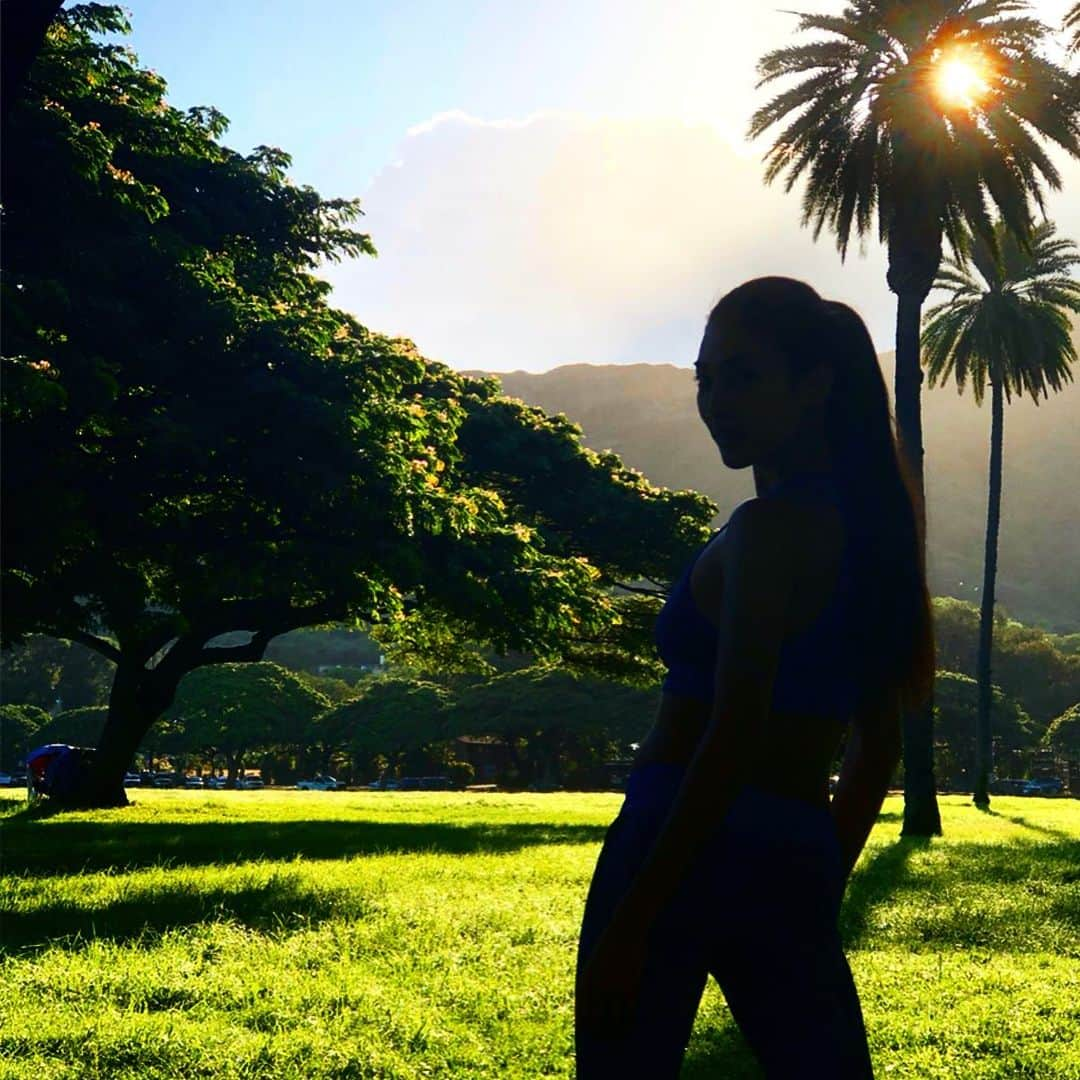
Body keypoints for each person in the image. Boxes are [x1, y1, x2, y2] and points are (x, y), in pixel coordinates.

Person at [574, 276, 935, 1078]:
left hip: (674, 833)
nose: (716, 401)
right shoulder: (873, 535)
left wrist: (636, 918)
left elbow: (728, 735)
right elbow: (876, 751)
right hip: (794, 844)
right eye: (705, 378)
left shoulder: (767, 531)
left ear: (814, 386)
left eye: (743, 377)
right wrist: (815, 881)